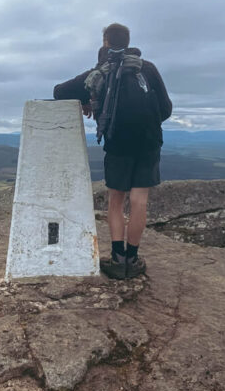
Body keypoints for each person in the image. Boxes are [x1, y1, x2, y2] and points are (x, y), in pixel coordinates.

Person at [53, 23, 172, 279]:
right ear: (128, 42)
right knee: (140, 200)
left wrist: (88, 101)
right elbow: (166, 109)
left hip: (118, 143)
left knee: (116, 200)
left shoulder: (100, 72)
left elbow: (59, 91)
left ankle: (118, 260)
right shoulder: (147, 69)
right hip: (149, 142)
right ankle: (133, 258)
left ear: (105, 42)